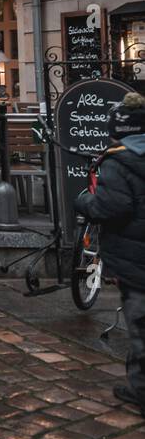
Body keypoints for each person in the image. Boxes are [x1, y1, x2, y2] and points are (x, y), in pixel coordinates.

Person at [75, 92, 145, 416]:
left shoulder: (117, 161)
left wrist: (83, 202)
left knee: (140, 323)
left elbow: (110, 207)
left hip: (135, 259)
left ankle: (141, 391)